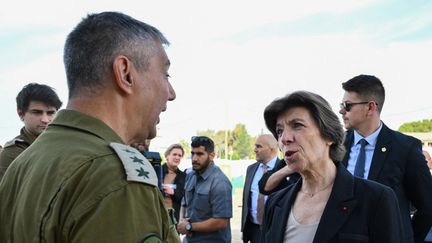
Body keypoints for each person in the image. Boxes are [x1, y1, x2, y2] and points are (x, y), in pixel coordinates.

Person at [0, 12, 180, 243]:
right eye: (165, 74)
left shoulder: (24, 163)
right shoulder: (114, 175)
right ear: (125, 73)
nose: (171, 93)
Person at [261, 91, 404, 243]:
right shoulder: (275, 203)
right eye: (279, 131)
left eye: (297, 125)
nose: (285, 138)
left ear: (328, 135)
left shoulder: (376, 199)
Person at [340, 74, 432, 243]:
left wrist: (406, 238)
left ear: (370, 107)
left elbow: (427, 206)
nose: (341, 111)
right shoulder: (336, 146)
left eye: (347, 105)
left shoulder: (405, 148)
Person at [0, 83, 62, 181]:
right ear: (21, 113)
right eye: (37, 112)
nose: (45, 119)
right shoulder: (14, 153)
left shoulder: (63, 144)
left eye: (50, 113)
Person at [177, 136, 232, 242]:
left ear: (212, 156)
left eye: (200, 154)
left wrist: (189, 227)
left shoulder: (220, 182)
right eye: (193, 153)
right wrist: (181, 221)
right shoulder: (190, 176)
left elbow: (221, 221)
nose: (194, 159)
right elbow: (184, 203)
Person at [241, 134, 284, 242]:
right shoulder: (251, 169)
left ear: (272, 149)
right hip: (253, 230)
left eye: (259, 146)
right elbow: (246, 200)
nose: (255, 150)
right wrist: (244, 229)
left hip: (274, 230)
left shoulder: (284, 170)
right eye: (255, 146)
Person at [162, 143, 186, 224]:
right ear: (167, 156)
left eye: (180, 155)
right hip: (156, 215)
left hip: (173, 218)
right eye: (174, 154)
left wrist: (173, 192)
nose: (177, 157)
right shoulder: (157, 171)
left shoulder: (183, 176)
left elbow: (185, 198)